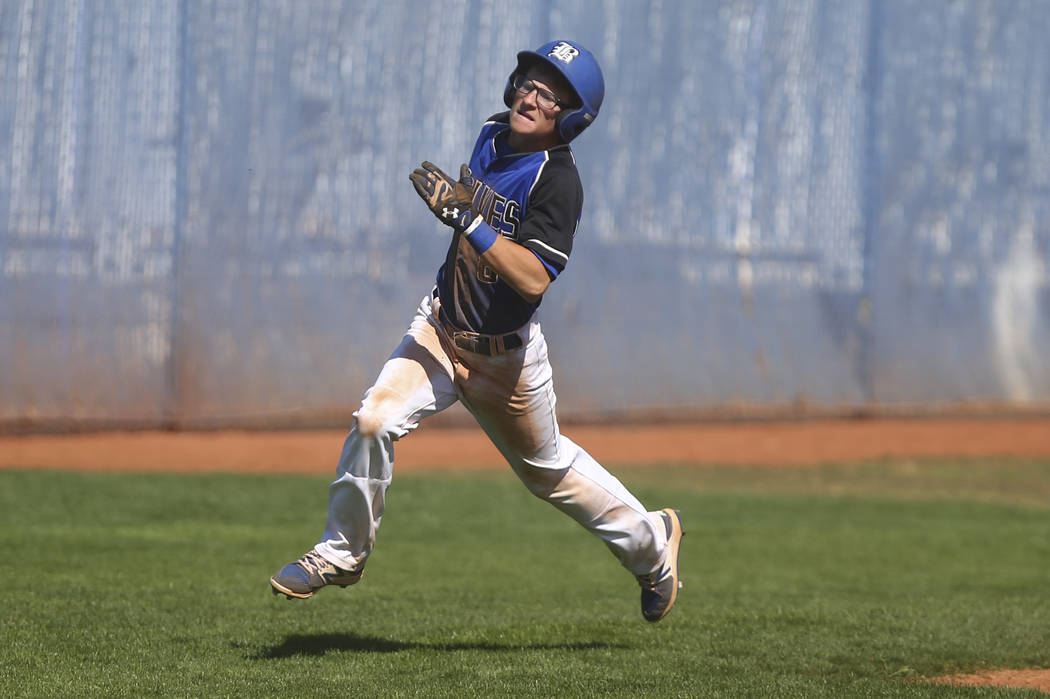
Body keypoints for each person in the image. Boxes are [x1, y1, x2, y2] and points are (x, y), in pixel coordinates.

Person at [270, 40, 684, 622]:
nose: (530, 96)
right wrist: (467, 216)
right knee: (373, 420)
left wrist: (469, 217)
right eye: (529, 83)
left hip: (506, 362)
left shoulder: (558, 181)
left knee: (550, 475)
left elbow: (534, 279)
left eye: (549, 93)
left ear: (571, 115)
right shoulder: (491, 134)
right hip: (441, 327)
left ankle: (652, 548)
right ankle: (340, 554)